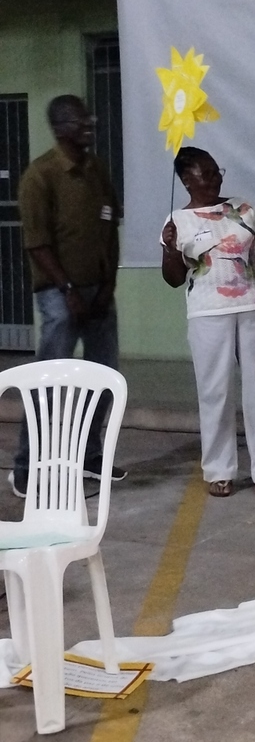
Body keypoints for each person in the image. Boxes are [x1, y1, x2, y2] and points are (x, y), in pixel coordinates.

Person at [11, 94, 125, 499]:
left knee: (104, 377)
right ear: (60, 128)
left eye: (89, 118)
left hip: (99, 292)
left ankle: (90, 456)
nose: (89, 124)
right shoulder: (39, 176)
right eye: (80, 120)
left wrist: (108, 285)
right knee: (47, 383)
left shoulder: (97, 170)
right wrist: (69, 290)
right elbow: (37, 244)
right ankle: (25, 467)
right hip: (60, 294)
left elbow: (110, 228)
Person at [161, 149, 255, 498]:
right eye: (206, 174)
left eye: (216, 171)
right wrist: (171, 249)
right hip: (207, 313)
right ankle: (219, 470)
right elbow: (173, 278)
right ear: (186, 181)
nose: (216, 178)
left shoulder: (243, 209)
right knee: (215, 392)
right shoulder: (177, 221)